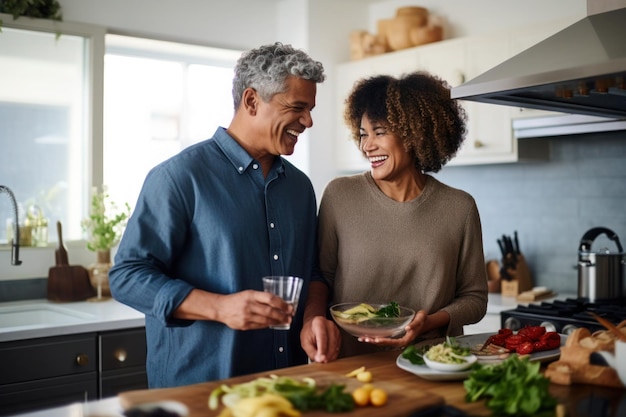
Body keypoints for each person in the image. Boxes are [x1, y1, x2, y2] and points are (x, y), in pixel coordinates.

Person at [109, 42, 327, 388]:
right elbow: (126, 277)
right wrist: (219, 307)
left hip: (285, 385)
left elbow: (311, 272)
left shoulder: (300, 188)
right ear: (252, 101)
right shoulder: (179, 177)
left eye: (311, 109)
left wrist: (313, 316)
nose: (308, 121)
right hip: (197, 390)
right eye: (298, 108)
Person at [301, 71, 488, 360]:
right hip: (349, 363)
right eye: (363, 134)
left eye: (379, 132)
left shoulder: (459, 207)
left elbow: (475, 299)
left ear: (414, 133)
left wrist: (430, 321)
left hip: (428, 363)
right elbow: (321, 277)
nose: (367, 145)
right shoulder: (340, 195)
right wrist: (312, 321)